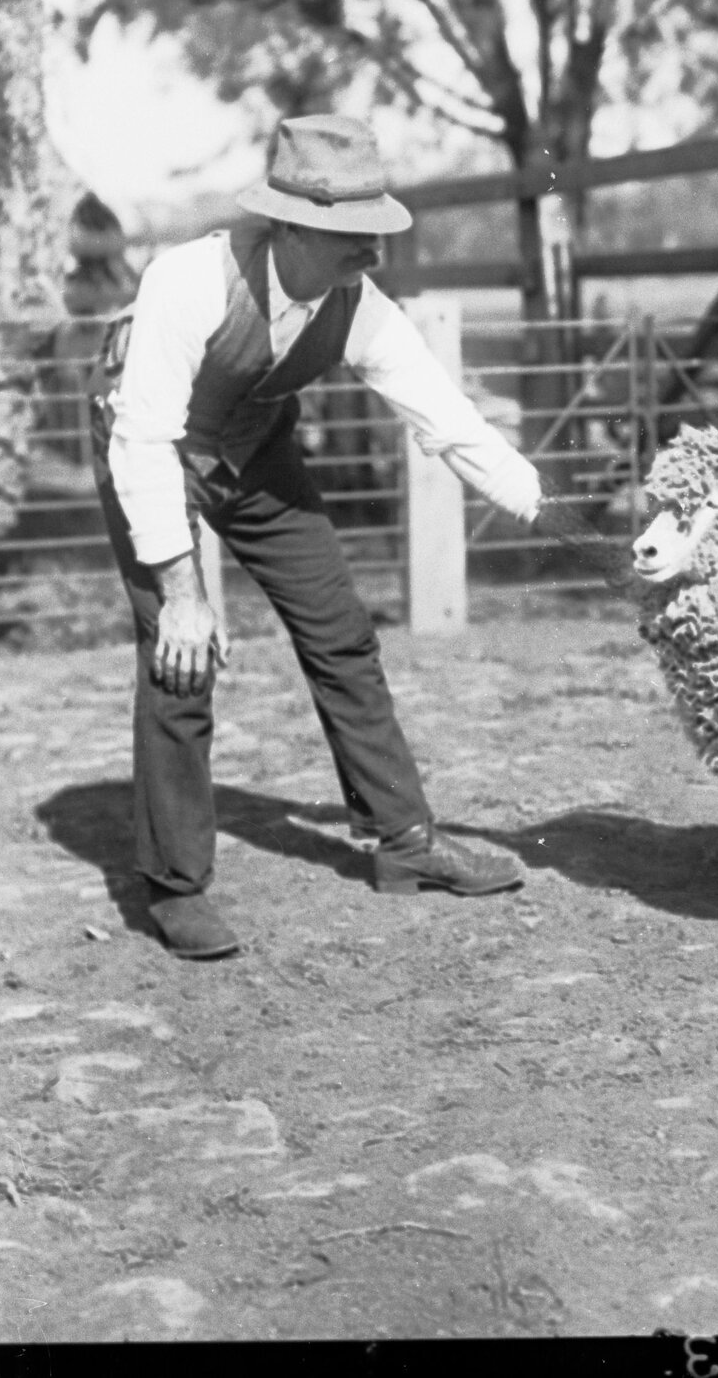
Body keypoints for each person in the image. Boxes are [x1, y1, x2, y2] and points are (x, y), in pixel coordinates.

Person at [90, 114, 544, 960]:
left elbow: (448, 422)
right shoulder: (186, 282)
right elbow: (145, 440)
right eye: (351, 235)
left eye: (377, 231)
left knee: (342, 629)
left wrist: (545, 509)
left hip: (252, 447)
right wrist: (184, 592)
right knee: (181, 651)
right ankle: (176, 886)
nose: (372, 252)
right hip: (147, 449)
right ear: (291, 226)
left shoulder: (359, 308)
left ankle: (405, 839)